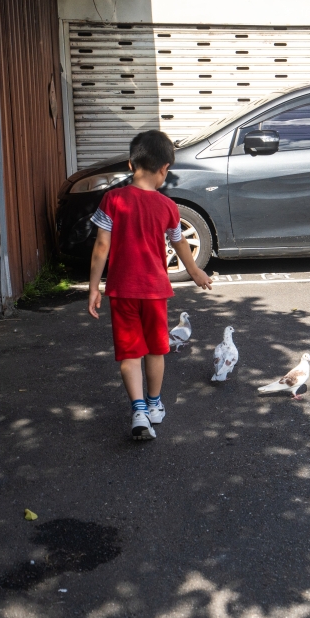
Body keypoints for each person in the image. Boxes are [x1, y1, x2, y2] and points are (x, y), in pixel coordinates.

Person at [87, 131, 213, 440]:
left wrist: (94, 288)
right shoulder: (168, 206)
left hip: (121, 290)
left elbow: (102, 246)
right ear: (164, 168)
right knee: (156, 351)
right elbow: (179, 241)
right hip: (155, 291)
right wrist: (195, 270)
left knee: (130, 354)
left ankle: (139, 409)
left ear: (131, 164)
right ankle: (155, 404)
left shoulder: (113, 199)